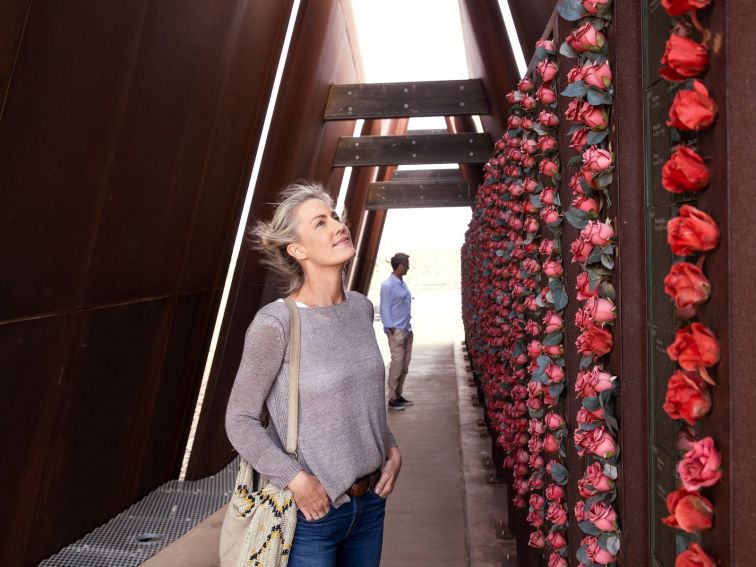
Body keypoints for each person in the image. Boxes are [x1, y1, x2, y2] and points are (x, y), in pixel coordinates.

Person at [225, 180, 402, 567]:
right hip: (311, 516)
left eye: (336, 217)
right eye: (320, 223)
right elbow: (239, 420)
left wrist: (391, 449)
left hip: (370, 506)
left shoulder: (360, 309)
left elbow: (362, 396)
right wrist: (295, 479)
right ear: (297, 250)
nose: (339, 226)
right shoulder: (276, 324)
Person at [380, 253, 414, 411]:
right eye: (406, 264)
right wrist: (391, 328)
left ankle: (399, 395)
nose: (408, 267)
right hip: (397, 332)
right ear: (399, 265)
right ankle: (392, 399)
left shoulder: (402, 283)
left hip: (407, 328)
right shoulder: (388, 285)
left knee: (405, 365)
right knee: (397, 364)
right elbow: (384, 308)